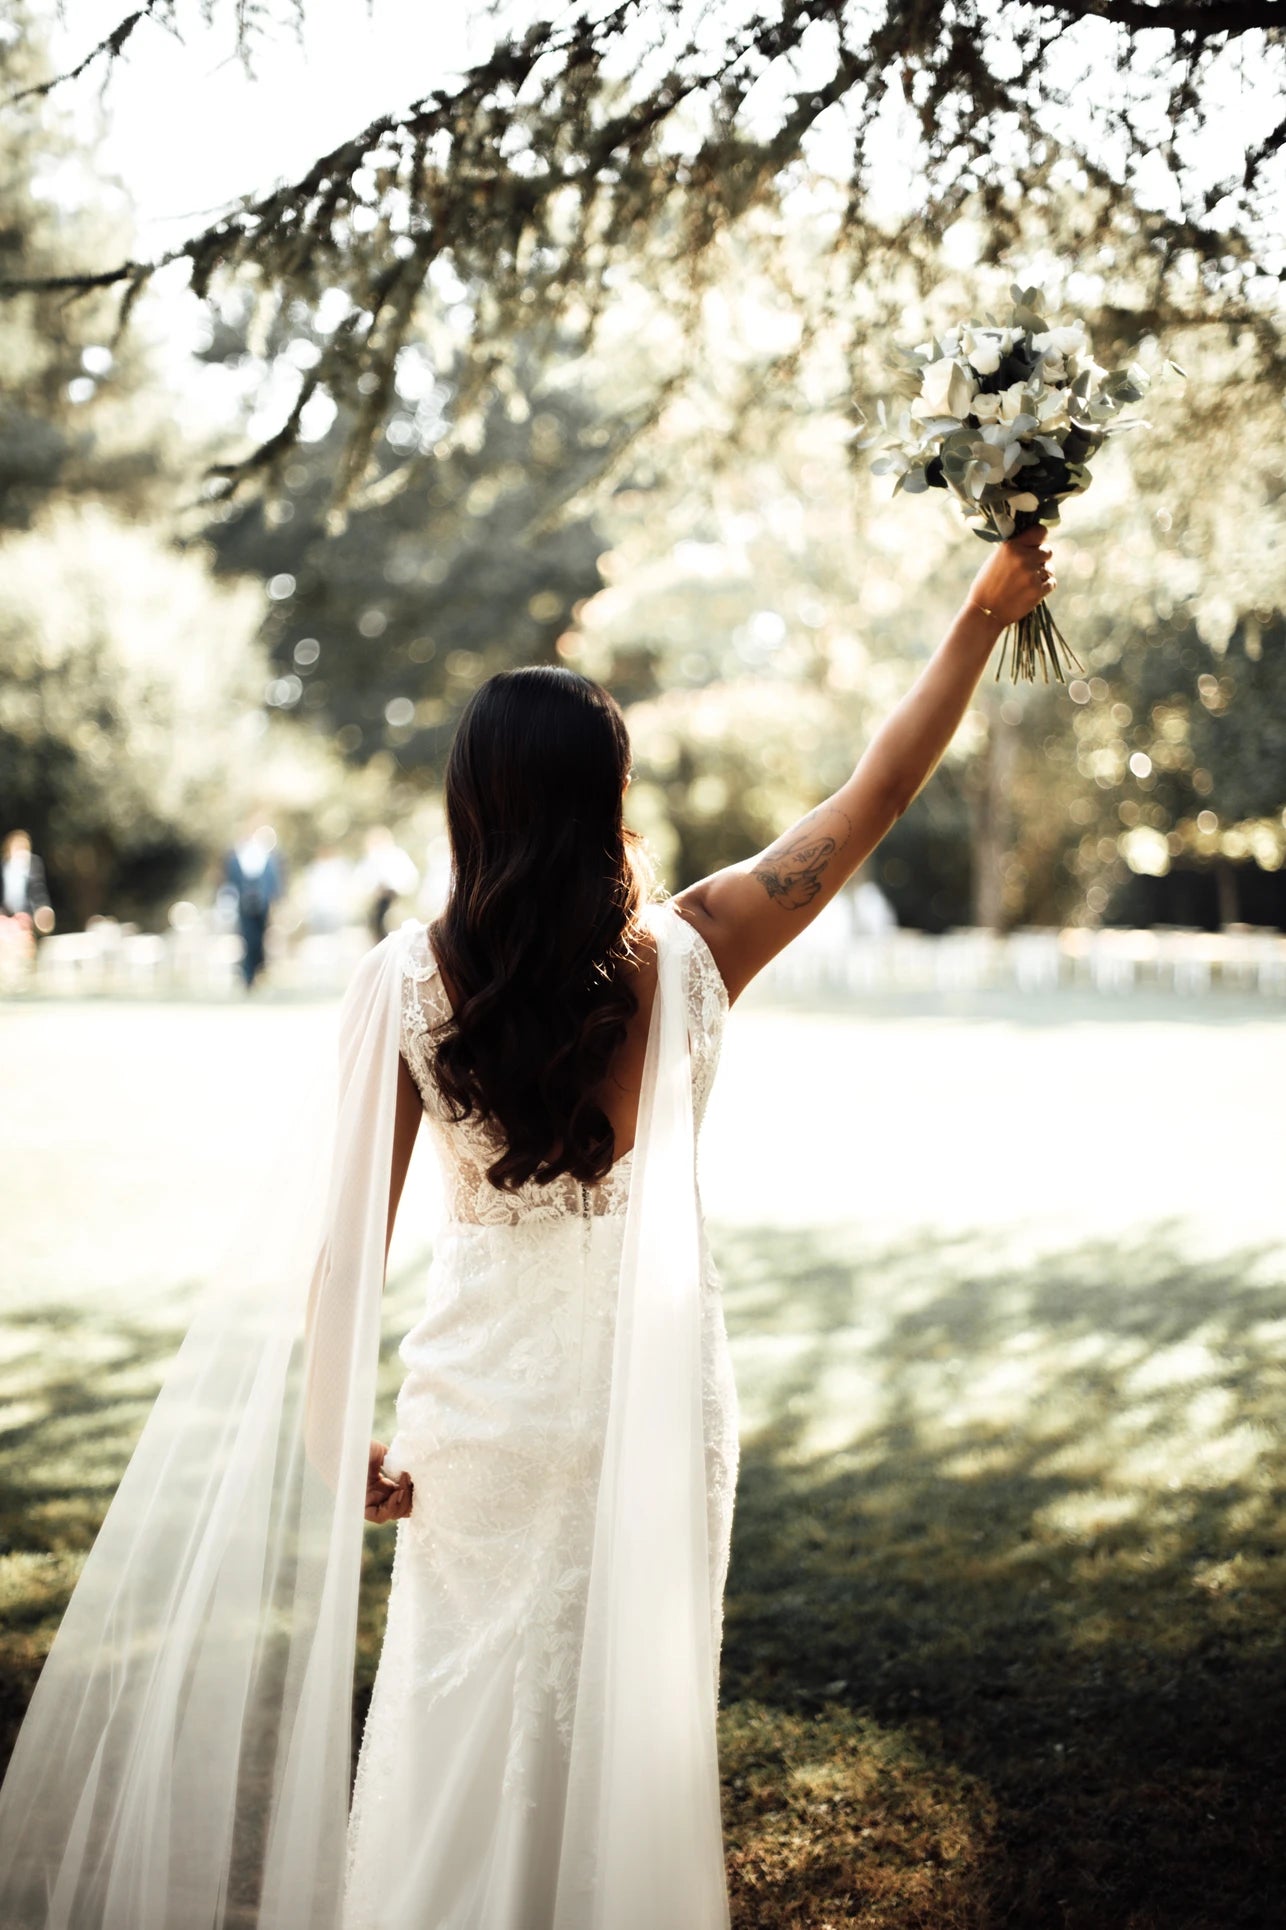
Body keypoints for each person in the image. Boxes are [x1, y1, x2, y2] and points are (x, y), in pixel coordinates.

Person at [0, 531, 1055, 1930]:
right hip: (652, 1415)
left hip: (480, 1415)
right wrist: (982, 614)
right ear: (608, 793)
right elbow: (872, 793)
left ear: (471, 804)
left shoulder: (404, 986)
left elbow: (341, 1254)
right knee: (626, 1739)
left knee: (457, 1737)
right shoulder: (696, 949)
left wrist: (335, 1447)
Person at [224, 818, 284, 990]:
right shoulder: (236, 857)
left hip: (262, 904)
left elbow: (274, 882)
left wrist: (276, 902)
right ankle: (248, 975)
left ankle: (259, 971)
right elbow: (231, 881)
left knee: (261, 938)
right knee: (247, 938)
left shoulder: (269, 857)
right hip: (244, 904)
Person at [356, 824, 420, 942]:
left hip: (396, 900)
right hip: (378, 903)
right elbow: (362, 881)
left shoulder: (397, 856)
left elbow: (409, 878)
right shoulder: (370, 860)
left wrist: (392, 888)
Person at [1, 828, 53, 933]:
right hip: (6, 914)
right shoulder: (3, 866)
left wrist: (42, 909)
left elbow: (38, 890)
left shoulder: (33, 864)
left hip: (26, 913)